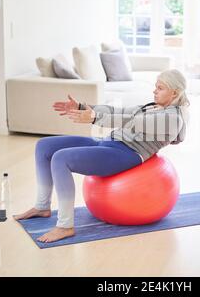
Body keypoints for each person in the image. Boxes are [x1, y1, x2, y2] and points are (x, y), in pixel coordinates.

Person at [14, 69, 190, 243]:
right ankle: (42, 206)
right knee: (44, 146)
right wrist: (83, 107)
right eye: (155, 86)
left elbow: (133, 121)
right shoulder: (153, 106)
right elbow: (120, 112)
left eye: (160, 88)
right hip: (107, 142)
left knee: (61, 159)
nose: (154, 91)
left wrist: (94, 117)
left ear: (174, 92)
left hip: (125, 153)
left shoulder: (173, 119)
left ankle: (65, 225)